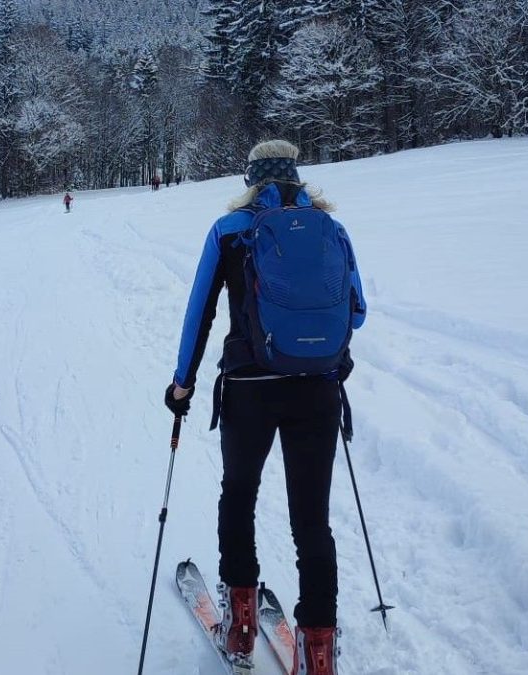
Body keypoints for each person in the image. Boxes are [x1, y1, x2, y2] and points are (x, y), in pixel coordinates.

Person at [165, 140, 366, 675]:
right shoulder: (332, 230)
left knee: (239, 495)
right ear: (297, 177)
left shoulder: (229, 230)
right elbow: (358, 311)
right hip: (317, 387)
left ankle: (242, 624)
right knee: (311, 520)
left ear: (251, 178)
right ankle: (318, 653)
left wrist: (182, 385)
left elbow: (199, 314)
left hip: (250, 386)